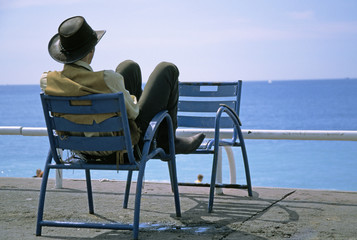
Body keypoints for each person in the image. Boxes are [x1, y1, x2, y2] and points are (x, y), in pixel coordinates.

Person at [40, 16, 205, 161]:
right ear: (92, 50)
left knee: (129, 67)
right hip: (123, 150)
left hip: (80, 150)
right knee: (166, 69)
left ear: (64, 55)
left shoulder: (48, 81)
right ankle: (168, 142)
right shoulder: (108, 79)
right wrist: (131, 99)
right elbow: (133, 112)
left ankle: (166, 141)